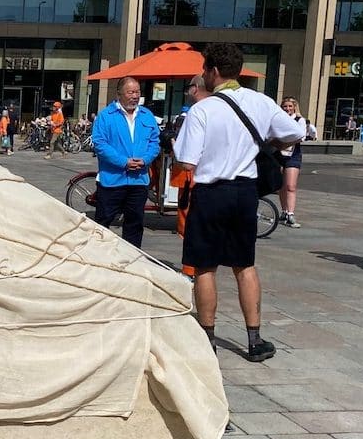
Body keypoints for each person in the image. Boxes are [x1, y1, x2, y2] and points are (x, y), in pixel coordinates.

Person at [172, 43, 302, 362]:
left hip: (211, 192)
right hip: (245, 192)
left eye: (204, 70)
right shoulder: (261, 102)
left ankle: (207, 338)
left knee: (205, 267)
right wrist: (265, 142)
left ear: (214, 71)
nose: (203, 76)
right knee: (245, 265)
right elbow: (295, 133)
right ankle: (254, 340)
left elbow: (187, 163)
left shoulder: (202, 110)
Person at [91, 77, 160, 248]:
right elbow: (100, 143)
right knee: (103, 222)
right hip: (112, 181)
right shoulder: (106, 116)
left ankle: (132, 260)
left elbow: (154, 142)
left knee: (135, 224)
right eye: (131, 92)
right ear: (119, 93)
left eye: (137, 92)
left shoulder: (146, 115)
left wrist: (145, 160)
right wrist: (123, 162)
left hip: (138, 180)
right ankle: (98, 257)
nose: (135, 96)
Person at [168, 75, 211, 279]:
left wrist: (173, 142)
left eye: (188, 87)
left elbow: (185, 152)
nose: (186, 92)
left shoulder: (196, 112)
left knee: (189, 223)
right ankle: (202, 267)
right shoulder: (217, 109)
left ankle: (191, 269)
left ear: (195, 89)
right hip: (210, 178)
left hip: (191, 176)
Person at [278, 97, 309, 228]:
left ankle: (291, 213)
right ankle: (284, 211)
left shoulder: (299, 120)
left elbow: (301, 136)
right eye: (285, 106)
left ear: (294, 107)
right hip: (278, 153)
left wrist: (287, 142)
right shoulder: (278, 119)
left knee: (291, 185)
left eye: (290, 106)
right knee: (281, 185)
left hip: (293, 155)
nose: (287, 109)